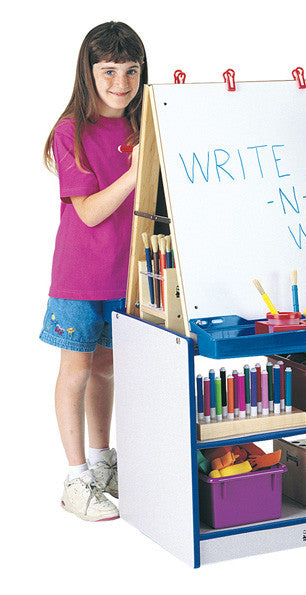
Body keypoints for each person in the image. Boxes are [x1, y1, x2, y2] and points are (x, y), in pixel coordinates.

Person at [40, 21, 147, 521]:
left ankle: (103, 462)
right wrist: (135, 171)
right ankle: (76, 477)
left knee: (106, 367)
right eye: (109, 71)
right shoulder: (71, 132)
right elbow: (88, 212)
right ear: (89, 72)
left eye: (131, 71)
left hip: (128, 275)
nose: (121, 83)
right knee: (76, 370)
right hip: (80, 277)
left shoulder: (144, 126)